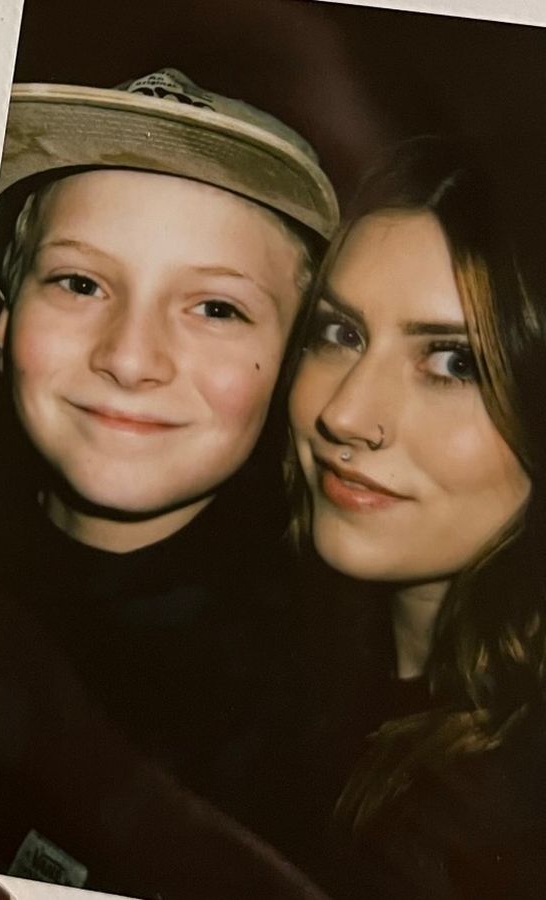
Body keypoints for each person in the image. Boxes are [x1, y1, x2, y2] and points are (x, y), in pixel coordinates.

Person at [0, 69, 338, 898]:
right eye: (80, 283)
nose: (130, 358)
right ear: (3, 321)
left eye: (216, 308)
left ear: (292, 363)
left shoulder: (315, 717)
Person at [287, 136, 546, 899]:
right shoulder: (282, 652)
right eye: (341, 334)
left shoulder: (504, 816)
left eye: (454, 363)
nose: (344, 413)